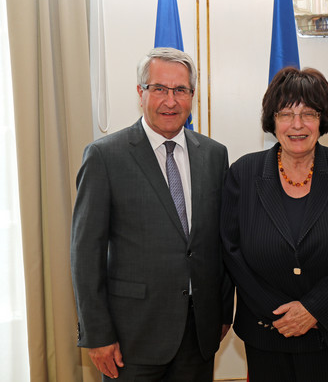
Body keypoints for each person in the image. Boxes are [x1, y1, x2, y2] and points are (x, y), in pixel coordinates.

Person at [71, 47, 233, 382]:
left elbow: (221, 240)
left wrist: (222, 310)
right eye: (159, 89)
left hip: (198, 335)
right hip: (132, 337)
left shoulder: (214, 155)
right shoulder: (105, 156)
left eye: (181, 90)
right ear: (140, 93)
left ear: (192, 95)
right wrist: (97, 334)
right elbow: (85, 253)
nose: (170, 101)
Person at [220, 67, 328, 382]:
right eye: (286, 114)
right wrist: (279, 312)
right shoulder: (243, 173)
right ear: (272, 120)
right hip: (268, 334)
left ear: (323, 120)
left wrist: (314, 309)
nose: (297, 125)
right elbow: (231, 249)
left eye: (308, 114)